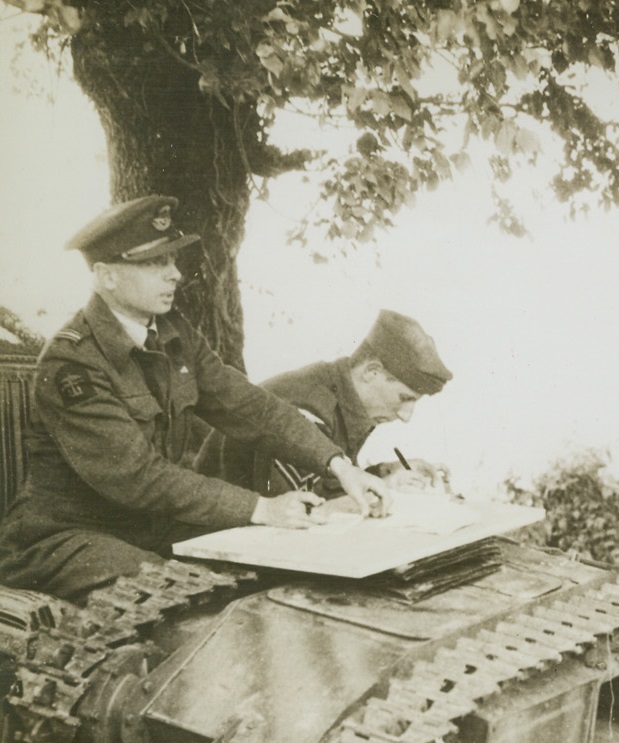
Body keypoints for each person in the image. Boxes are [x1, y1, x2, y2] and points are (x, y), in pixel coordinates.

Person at [0, 195, 392, 604]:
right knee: (171, 596)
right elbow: (138, 477)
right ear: (107, 276)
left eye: (172, 259)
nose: (174, 274)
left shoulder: (174, 335)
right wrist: (261, 508)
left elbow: (251, 407)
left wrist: (340, 466)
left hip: (148, 524)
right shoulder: (72, 362)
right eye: (155, 263)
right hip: (64, 536)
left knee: (277, 562)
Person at [194, 309, 452, 498]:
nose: (406, 415)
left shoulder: (342, 394)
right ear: (371, 372)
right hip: (212, 539)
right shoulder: (310, 405)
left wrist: (385, 473)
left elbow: (325, 484)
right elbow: (301, 506)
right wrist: (384, 491)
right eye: (405, 398)